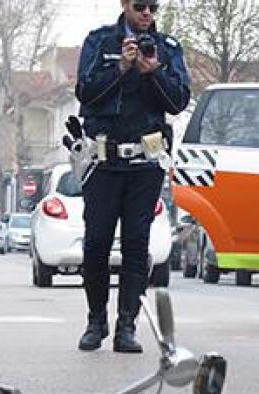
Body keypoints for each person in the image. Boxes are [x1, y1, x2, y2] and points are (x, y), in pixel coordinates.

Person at [74, 0, 190, 353]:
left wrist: (152, 71)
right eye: (140, 6)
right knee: (96, 243)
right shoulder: (100, 42)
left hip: (144, 163)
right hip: (104, 162)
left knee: (137, 246)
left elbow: (178, 101)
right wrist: (121, 68)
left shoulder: (166, 49)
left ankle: (128, 326)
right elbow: (85, 92)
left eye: (153, 7)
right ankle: (96, 321)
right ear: (124, 4)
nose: (147, 14)